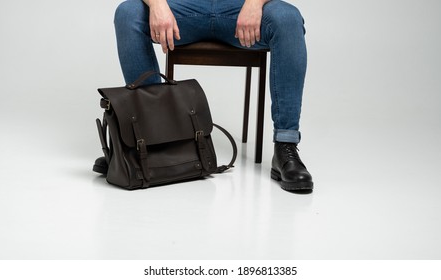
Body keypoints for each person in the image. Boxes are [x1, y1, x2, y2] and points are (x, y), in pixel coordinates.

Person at [93, 0, 313, 191]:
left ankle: (286, 147)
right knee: (128, 13)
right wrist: (158, 4)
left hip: (240, 8)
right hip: (183, 7)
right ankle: (150, 143)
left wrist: (255, 3)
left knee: (287, 18)